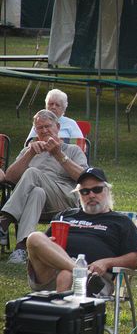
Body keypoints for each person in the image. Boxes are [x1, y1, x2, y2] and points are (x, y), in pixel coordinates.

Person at [25, 167, 137, 293]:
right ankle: (80, 271)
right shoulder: (65, 216)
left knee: (66, 275)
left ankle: (76, 275)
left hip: (95, 279)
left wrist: (107, 262)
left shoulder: (121, 222)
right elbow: (40, 245)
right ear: (79, 194)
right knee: (34, 237)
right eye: (85, 191)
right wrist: (49, 244)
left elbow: (134, 259)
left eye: (97, 189)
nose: (91, 195)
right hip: (51, 273)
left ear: (107, 191)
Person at [0, 109, 88, 264]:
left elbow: (84, 178)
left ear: (58, 127)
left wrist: (59, 155)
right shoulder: (30, 150)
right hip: (37, 202)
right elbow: (9, 178)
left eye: (48, 126)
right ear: (36, 131)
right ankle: (21, 248)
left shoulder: (72, 150)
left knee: (33, 172)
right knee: (37, 192)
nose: (45, 130)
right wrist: (29, 154)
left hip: (64, 200)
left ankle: (4, 221)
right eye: (40, 128)